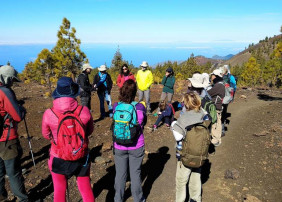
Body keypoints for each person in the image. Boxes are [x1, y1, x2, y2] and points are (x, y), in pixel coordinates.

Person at [42, 77, 95, 202]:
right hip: (81, 154)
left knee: (59, 190)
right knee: (85, 188)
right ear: (73, 92)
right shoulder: (84, 111)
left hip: (58, 156)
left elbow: (46, 134)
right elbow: (89, 131)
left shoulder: (49, 113)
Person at [171, 92, 210, 202]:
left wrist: (174, 125)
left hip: (185, 155)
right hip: (200, 154)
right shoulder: (204, 114)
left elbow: (178, 137)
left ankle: (180, 200)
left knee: (181, 181)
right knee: (196, 177)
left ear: (187, 104)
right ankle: (195, 199)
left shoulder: (184, 118)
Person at [112, 80, 146, 202]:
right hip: (136, 145)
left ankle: (118, 198)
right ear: (135, 92)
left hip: (119, 145)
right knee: (135, 174)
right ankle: (138, 199)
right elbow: (142, 124)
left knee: (120, 174)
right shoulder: (140, 107)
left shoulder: (116, 106)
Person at [0, 65, 29, 202]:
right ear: (7, 78)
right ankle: (23, 199)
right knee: (14, 172)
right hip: (7, 138)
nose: (12, 83)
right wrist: (21, 109)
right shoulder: (5, 91)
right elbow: (17, 116)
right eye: (12, 80)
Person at [207, 69, 225, 146]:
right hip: (218, 106)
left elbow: (208, 93)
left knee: (215, 123)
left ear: (216, 76)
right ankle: (217, 139)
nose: (211, 77)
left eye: (212, 75)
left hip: (215, 107)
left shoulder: (218, 86)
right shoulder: (221, 84)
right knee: (218, 122)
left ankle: (215, 140)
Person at [221, 65, 237, 137]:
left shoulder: (220, 76)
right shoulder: (231, 77)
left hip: (221, 97)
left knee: (220, 112)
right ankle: (222, 129)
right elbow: (234, 87)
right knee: (224, 112)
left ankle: (220, 129)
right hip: (227, 97)